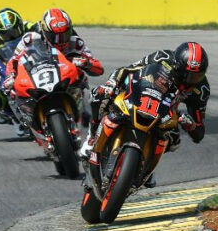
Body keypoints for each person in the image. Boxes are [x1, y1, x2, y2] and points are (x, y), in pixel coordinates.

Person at [80, 42, 210, 187]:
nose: (189, 79)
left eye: (195, 76)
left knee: (174, 139)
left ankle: (145, 164)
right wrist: (111, 84)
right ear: (176, 65)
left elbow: (199, 132)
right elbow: (129, 69)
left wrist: (190, 124)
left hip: (165, 113)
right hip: (138, 95)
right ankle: (92, 138)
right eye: (186, 74)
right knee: (99, 97)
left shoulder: (201, 89)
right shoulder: (163, 57)